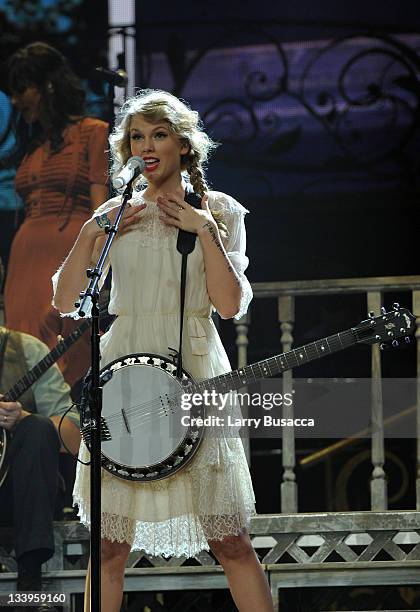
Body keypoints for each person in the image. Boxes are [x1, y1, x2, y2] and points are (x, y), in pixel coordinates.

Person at [52, 89, 274, 612]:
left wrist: (205, 232)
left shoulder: (216, 209)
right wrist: (91, 230)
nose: (146, 146)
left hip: (196, 365)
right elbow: (67, 302)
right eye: (136, 136)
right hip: (124, 368)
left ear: (183, 144)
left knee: (229, 537)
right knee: (108, 545)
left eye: (158, 135)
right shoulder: (114, 214)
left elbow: (228, 305)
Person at [3, 41, 109, 389]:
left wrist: (98, 270)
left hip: (67, 256)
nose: (15, 101)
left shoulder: (93, 132)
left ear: (47, 85)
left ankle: (68, 437)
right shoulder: (32, 145)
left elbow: (102, 211)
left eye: (22, 90)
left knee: (65, 355)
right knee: (23, 350)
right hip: (24, 262)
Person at [0, 259, 81, 594]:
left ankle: (30, 574)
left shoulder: (27, 351)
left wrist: (22, 420)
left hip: (13, 495)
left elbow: (74, 435)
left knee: (37, 430)